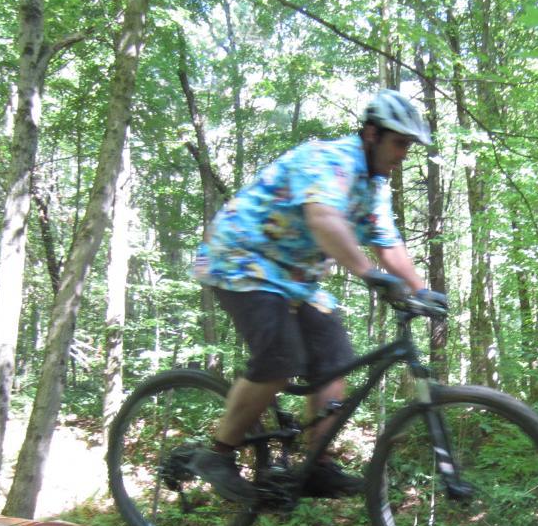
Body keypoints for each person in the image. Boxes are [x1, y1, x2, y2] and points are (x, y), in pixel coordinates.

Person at [189, 89, 441, 502]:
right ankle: (216, 454)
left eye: (408, 147)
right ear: (372, 134)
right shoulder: (330, 159)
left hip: (295, 277)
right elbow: (323, 217)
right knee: (280, 359)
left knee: (334, 357)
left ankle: (316, 466)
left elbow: (389, 243)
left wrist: (421, 290)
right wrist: (368, 273)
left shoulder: (374, 187)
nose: (403, 155)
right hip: (241, 257)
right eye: (399, 143)